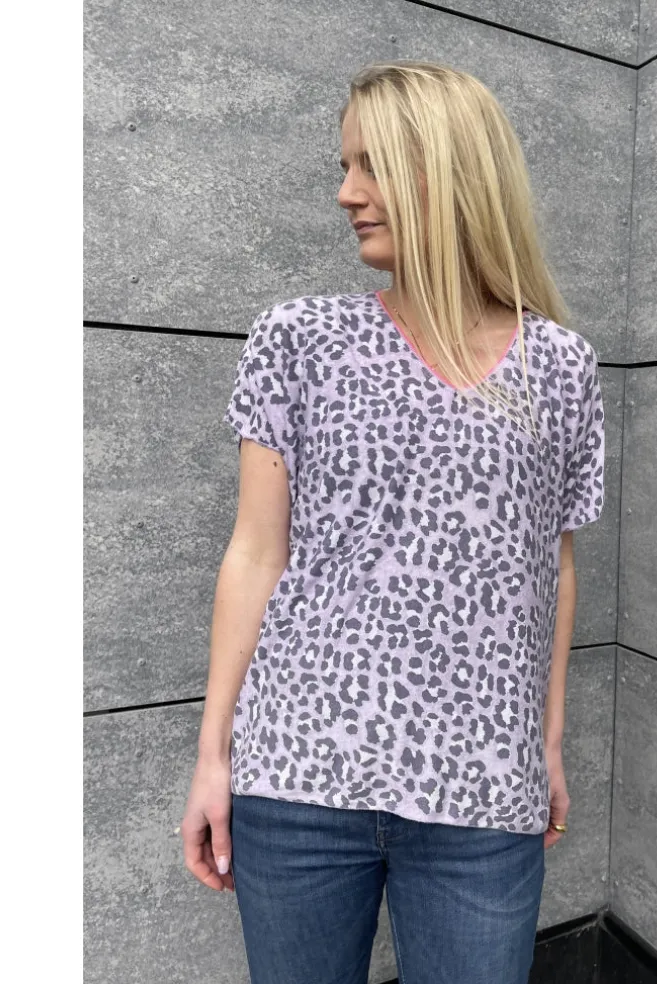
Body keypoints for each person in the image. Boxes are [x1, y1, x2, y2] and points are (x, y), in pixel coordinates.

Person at [180, 59, 606, 984]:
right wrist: (214, 756)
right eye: (345, 166)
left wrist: (546, 745)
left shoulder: (562, 366)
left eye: (371, 164)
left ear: (449, 170)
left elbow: (553, 568)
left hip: (483, 792)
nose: (346, 193)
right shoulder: (299, 339)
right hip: (295, 777)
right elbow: (255, 554)